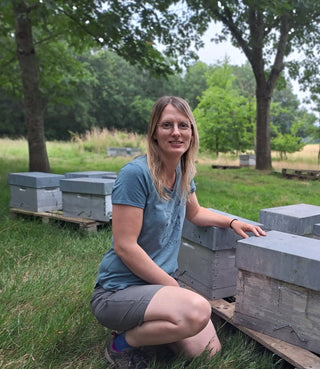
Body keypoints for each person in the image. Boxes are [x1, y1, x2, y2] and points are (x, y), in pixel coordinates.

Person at [90, 96, 266, 369]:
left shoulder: (183, 171)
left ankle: (155, 327)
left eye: (183, 125)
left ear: (192, 132)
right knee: (196, 311)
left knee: (208, 352)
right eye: (167, 125)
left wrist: (231, 222)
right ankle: (121, 345)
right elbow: (125, 246)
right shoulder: (135, 174)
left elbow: (195, 213)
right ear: (154, 133)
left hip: (156, 286)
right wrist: (174, 288)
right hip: (117, 291)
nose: (176, 132)